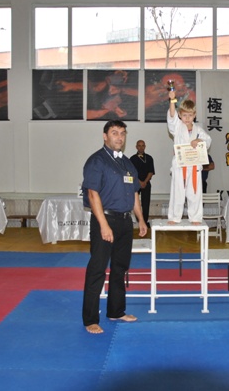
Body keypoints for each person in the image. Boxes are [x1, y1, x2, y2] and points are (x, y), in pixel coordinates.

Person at [81, 120, 147, 334]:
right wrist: (103, 225)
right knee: (97, 269)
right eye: (114, 133)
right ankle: (90, 319)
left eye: (122, 133)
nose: (119, 137)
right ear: (105, 136)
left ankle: (116, 311)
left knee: (120, 269)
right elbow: (93, 194)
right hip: (105, 220)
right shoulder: (96, 161)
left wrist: (141, 219)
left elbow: (135, 194)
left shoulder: (127, 163)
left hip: (125, 221)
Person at [167, 89, 212, 224]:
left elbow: (208, 140)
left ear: (194, 115)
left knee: (195, 193)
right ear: (180, 115)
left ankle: (195, 217)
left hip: (194, 166)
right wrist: (172, 100)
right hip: (180, 165)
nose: (187, 118)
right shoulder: (177, 127)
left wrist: (199, 140)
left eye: (190, 115)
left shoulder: (198, 130)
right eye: (184, 115)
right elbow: (172, 117)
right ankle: (175, 217)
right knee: (178, 192)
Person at [130, 140, 155, 226]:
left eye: (142, 145)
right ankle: (138, 220)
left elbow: (151, 172)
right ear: (136, 147)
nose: (141, 147)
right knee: (135, 202)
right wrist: (139, 182)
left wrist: (144, 182)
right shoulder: (132, 159)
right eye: (139, 145)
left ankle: (145, 221)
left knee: (146, 203)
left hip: (146, 183)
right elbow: (131, 173)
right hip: (136, 183)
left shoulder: (149, 158)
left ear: (145, 146)